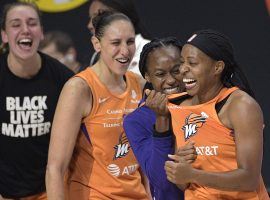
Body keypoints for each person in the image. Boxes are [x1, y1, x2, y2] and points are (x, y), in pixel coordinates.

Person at [147, 29, 269, 199]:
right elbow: (183, 182)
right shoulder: (178, 106)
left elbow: (249, 178)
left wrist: (193, 174)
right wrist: (180, 168)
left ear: (217, 67)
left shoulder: (240, 106)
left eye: (192, 63)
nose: (183, 70)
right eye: (182, 62)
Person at [46, 11, 149, 199]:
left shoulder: (140, 84)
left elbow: (142, 156)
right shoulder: (79, 89)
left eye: (130, 42)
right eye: (116, 43)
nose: (125, 51)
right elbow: (55, 168)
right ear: (96, 44)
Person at [0, 2, 74, 199]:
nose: (25, 30)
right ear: (4, 35)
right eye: (16, 24)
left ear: (41, 32)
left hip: (49, 191)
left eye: (32, 23)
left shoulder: (64, 79)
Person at [123, 37, 196, 199]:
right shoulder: (136, 121)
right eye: (160, 74)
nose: (170, 80)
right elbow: (161, 182)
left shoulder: (204, 103)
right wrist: (162, 119)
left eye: (176, 71)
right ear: (147, 76)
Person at [87, 0, 151, 76]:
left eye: (97, 16)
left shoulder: (150, 53)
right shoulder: (97, 56)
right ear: (96, 44)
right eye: (115, 43)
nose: (89, 25)